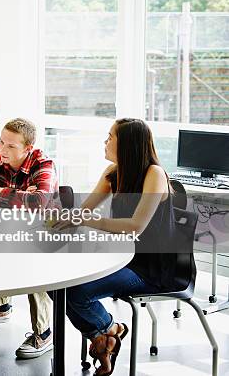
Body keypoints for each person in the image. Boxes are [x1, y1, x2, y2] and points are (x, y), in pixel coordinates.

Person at [50, 118, 182, 376]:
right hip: (122, 258)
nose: (105, 141)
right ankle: (107, 334)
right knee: (53, 285)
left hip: (151, 268)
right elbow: (84, 211)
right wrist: (60, 220)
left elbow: (136, 227)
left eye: (111, 137)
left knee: (75, 293)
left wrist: (88, 220)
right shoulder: (113, 172)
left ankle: (106, 333)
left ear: (128, 144)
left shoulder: (154, 174)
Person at [0, 118, 58, 359]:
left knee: (32, 258)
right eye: (1, 142)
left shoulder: (43, 163)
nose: (2, 150)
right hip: (4, 227)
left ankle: (44, 334)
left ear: (28, 148)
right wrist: (19, 197)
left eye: (11, 146)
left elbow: (39, 204)